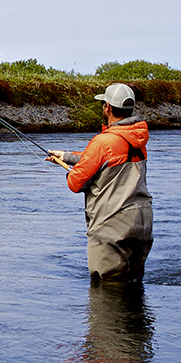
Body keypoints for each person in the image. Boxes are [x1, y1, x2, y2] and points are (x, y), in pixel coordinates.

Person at [47, 83, 153, 283]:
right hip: (141, 223)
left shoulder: (102, 142)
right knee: (133, 289)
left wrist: (70, 170)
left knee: (108, 291)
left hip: (112, 227)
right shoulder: (138, 140)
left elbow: (75, 183)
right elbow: (106, 158)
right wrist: (66, 156)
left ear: (108, 108)